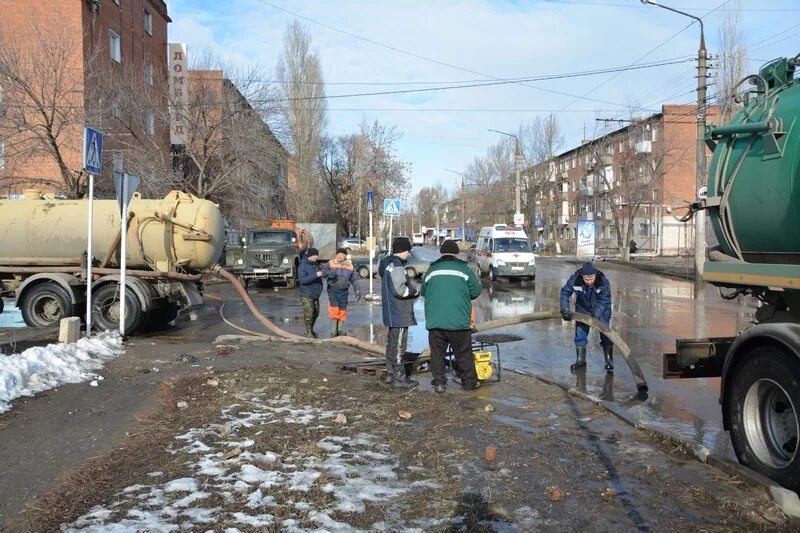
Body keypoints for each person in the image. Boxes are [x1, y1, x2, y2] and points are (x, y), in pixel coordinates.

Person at [422, 239, 482, 393]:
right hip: (458, 322)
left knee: (437, 354)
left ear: (441, 253)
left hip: (435, 322)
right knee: (463, 353)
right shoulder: (464, 270)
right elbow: (475, 291)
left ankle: (439, 384)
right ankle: (469, 383)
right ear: (456, 253)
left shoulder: (431, 270)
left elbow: (423, 292)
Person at [379, 236, 420, 388]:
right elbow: (400, 290)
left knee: (391, 344)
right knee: (398, 346)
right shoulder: (397, 266)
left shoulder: (387, 263)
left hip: (391, 312)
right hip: (399, 312)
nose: (409, 254)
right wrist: (414, 291)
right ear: (403, 251)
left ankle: (391, 373)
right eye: (408, 251)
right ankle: (399, 377)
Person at [560, 262, 614, 372]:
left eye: (591, 279)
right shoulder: (575, 279)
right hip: (582, 309)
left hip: (601, 310)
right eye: (586, 280)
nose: (589, 282)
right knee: (580, 334)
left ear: (595, 275)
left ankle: (609, 360)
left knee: (605, 335)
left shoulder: (603, 282)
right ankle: (581, 360)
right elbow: (565, 293)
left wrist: (596, 316)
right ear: (582, 277)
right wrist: (565, 310)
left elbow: (605, 301)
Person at [322, 247, 361, 337]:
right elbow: (323, 271)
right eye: (338, 254)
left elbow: (354, 279)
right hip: (332, 290)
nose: (340, 256)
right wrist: (327, 273)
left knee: (342, 310)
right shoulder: (330, 263)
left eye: (342, 255)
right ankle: (333, 331)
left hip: (344, 291)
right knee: (335, 309)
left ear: (345, 257)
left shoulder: (350, 266)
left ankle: (339, 330)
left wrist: (357, 289)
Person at [297, 247, 323, 338]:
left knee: (316, 313)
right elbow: (303, 280)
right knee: (309, 313)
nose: (316, 257)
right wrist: (316, 275)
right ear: (310, 255)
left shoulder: (315, 264)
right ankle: (308, 331)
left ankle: (310, 330)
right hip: (306, 293)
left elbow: (320, 275)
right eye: (315, 255)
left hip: (316, 293)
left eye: (317, 255)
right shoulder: (303, 265)